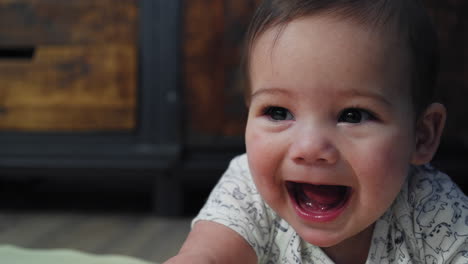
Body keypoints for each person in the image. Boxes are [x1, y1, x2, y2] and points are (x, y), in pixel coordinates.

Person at [165, 0, 468, 263]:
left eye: (353, 115)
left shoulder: (434, 211)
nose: (309, 147)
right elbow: (209, 254)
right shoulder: (248, 187)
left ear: (421, 136)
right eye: (278, 112)